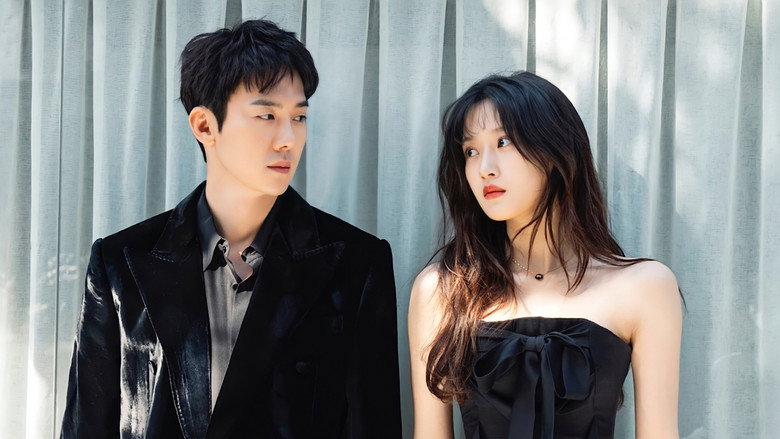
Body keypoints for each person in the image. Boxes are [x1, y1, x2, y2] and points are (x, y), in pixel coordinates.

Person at [60, 19, 401, 439]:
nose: (288, 138)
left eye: (299, 117)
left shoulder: (355, 263)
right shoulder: (121, 263)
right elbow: (88, 425)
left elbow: (373, 424)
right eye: (266, 115)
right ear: (205, 126)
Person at [408, 72, 682, 438]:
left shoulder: (644, 287)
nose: (484, 168)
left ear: (553, 150)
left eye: (503, 141)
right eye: (471, 151)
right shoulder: (442, 290)